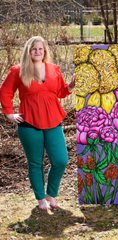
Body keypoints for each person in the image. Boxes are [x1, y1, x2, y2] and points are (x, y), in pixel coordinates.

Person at [0, 36, 75, 210]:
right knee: (35, 163)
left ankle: (51, 194)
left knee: (61, 160)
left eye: (40, 49)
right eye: (34, 49)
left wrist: (71, 86)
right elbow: (5, 92)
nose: (37, 52)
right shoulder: (18, 71)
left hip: (53, 121)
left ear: (45, 51)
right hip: (29, 123)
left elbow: (61, 92)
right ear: (28, 51)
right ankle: (41, 199)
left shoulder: (54, 69)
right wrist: (10, 113)